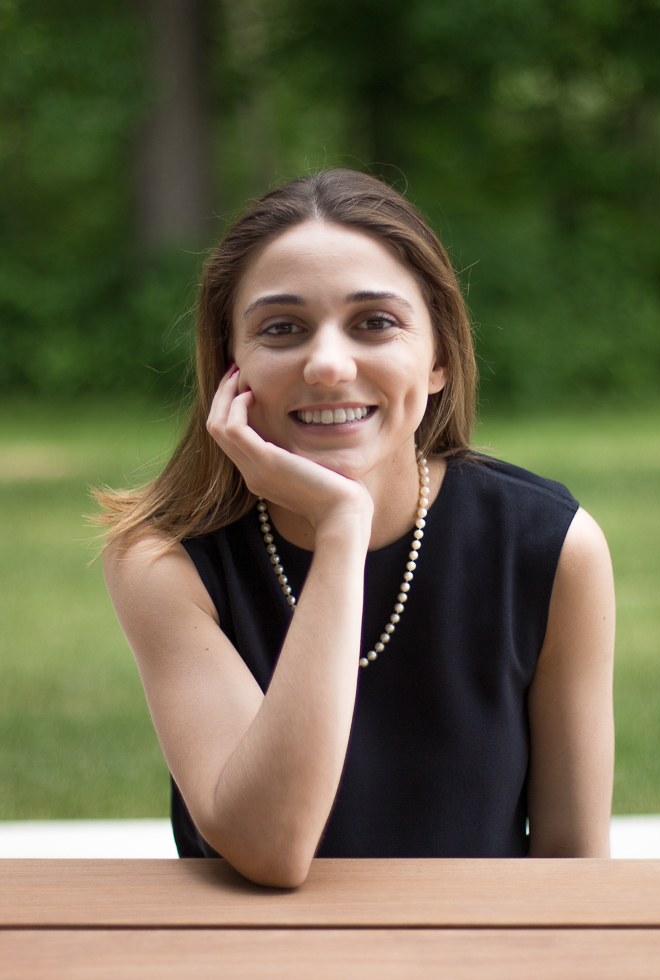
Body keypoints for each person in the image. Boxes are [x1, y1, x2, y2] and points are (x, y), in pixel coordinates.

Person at [99, 169, 615, 887]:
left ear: (437, 358)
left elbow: (575, 866)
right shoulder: (165, 561)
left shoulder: (551, 548)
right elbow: (269, 847)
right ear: (231, 366)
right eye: (282, 328)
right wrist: (343, 525)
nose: (329, 365)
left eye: (375, 322)